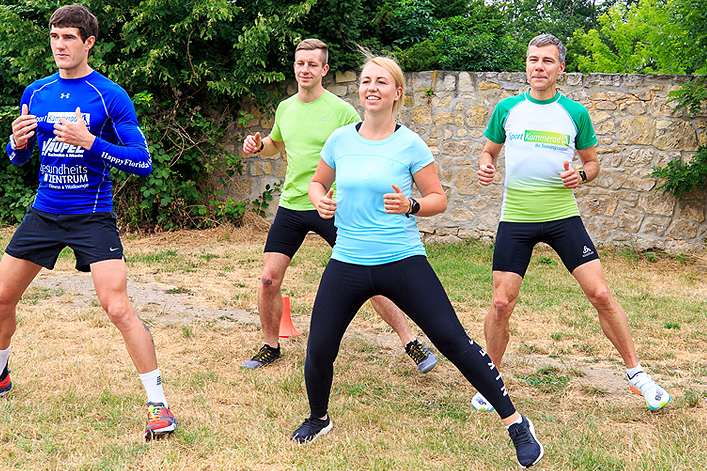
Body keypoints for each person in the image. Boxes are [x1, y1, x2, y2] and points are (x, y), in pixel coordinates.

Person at [292, 55, 543, 469]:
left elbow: (438, 200)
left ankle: (516, 423)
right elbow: (318, 181)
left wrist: (410, 204)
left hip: (401, 258)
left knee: (452, 340)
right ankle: (319, 418)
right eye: (366, 81)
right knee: (319, 347)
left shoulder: (410, 144)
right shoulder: (340, 140)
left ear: (397, 92)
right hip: (348, 260)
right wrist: (319, 198)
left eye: (381, 82)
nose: (371, 87)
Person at [0, 5, 177, 441]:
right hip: (44, 211)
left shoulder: (109, 95)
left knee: (117, 307)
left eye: (69, 38)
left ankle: (158, 404)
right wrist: (17, 145)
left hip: (92, 215)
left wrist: (91, 142)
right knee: (0, 299)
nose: (60, 46)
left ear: (88, 42)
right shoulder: (36, 91)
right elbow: (20, 156)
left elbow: (144, 162)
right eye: (55, 38)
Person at [472, 33, 671, 412]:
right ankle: (490, 379)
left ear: (561, 68)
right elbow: (488, 151)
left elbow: (593, 164)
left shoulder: (575, 113)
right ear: (526, 65)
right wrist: (486, 165)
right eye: (533, 60)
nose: (538, 67)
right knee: (500, 303)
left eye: (547, 61)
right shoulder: (507, 109)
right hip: (516, 218)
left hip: (563, 217)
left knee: (599, 294)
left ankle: (637, 375)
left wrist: (580, 176)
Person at [240, 39, 437, 374]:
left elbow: (363, 144)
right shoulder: (285, 108)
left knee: (372, 277)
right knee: (268, 280)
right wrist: (259, 146)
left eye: (312, 64)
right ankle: (271, 346)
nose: (305, 69)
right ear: (295, 66)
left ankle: (411, 342)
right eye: (300, 63)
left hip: (335, 207)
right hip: (293, 204)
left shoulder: (341, 112)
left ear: (324, 70)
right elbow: (276, 145)